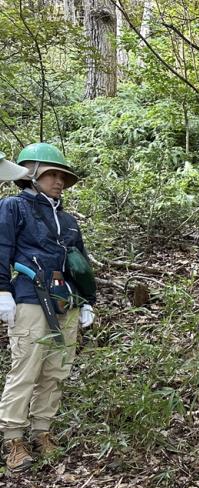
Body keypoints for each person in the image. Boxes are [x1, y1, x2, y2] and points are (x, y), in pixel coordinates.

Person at [0, 143, 96, 470]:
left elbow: (79, 262)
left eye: (63, 177)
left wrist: (86, 300)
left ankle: (42, 432)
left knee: (56, 370)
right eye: (53, 174)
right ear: (33, 174)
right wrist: (3, 291)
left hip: (64, 300)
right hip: (29, 295)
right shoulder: (14, 207)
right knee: (25, 367)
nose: (59, 182)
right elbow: (2, 248)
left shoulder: (68, 220)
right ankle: (13, 439)